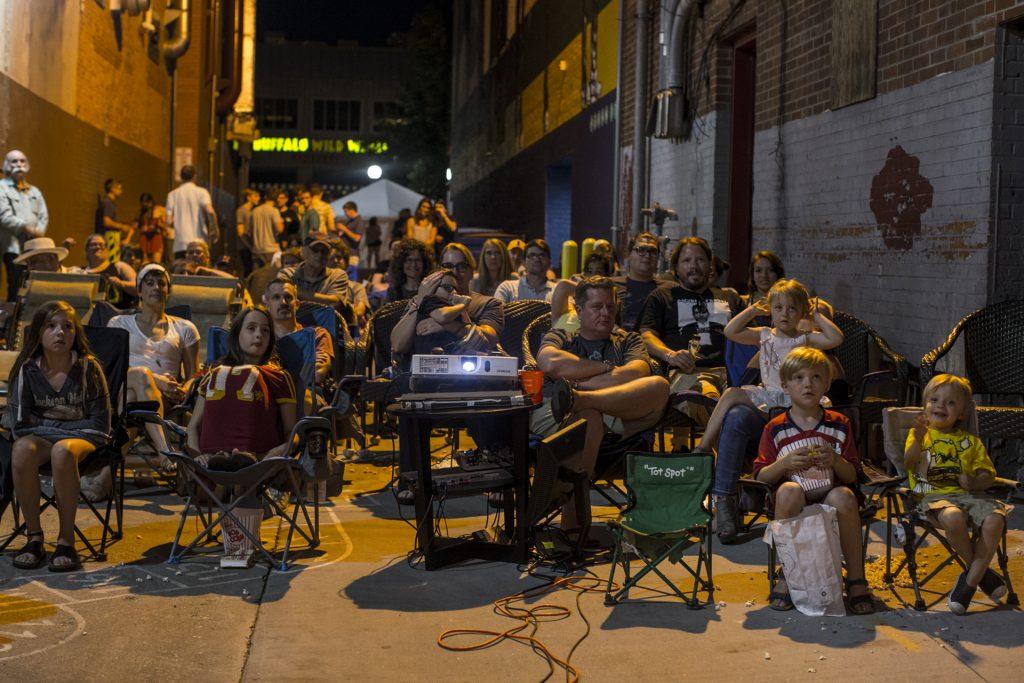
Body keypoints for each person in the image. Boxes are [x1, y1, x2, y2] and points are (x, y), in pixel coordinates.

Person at [533, 277, 670, 533]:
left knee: (659, 386)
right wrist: (608, 370)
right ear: (579, 309)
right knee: (589, 418)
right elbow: (550, 364)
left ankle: (579, 399)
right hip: (562, 416)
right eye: (597, 307)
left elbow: (636, 373)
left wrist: (579, 386)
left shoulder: (629, 340)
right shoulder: (562, 335)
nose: (606, 313)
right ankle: (573, 529)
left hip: (615, 413)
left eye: (610, 306)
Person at [752, 347, 873, 614]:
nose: (808, 384)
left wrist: (835, 461)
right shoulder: (776, 427)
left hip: (830, 494)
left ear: (826, 385)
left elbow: (853, 475)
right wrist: (784, 464)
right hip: (793, 500)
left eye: (816, 377)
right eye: (799, 378)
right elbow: (761, 476)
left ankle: (855, 579)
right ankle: (789, 574)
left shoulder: (839, 424)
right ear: (785, 385)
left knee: (845, 496)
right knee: (788, 490)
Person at [4, 301, 111, 571]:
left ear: (76, 334)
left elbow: (100, 424)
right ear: (39, 333)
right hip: (47, 437)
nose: (60, 333)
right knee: (21, 449)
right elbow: (19, 424)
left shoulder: (88, 368)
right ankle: (34, 538)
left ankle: (66, 540)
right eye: (51, 326)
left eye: (67, 327)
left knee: (62, 450)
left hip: (85, 443)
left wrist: (50, 426)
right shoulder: (27, 369)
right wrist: (66, 424)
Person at [187, 306, 297, 561]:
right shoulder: (214, 374)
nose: (258, 335)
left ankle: (240, 548)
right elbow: (193, 426)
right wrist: (196, 455)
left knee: (245, 470)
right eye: (251, 328)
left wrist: (272, 456)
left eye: (265, 331)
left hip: (259, 460)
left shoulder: (279, 377)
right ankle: (239, 538)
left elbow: (292, 432)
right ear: (237, 335)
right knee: (226, 468)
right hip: (211, 460)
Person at [905, 374, 1009, 615]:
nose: (941, 405)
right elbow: (909, 463)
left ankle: (970, 581)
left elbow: (988, 476)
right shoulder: (920, 435)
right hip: (931, 496)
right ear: (925, 405)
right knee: (953, 517)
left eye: (951, 403)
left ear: (961, 413)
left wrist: (973, 481)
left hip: (970, 496)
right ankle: (980, 576)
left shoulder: (971, 442)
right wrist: (917, 441)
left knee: (995, 520)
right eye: (935, 399)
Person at [697, 279, 843, 451]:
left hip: (795, 402)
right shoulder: (764, 335)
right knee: (730, 394)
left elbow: (836, 338)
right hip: (768, 397)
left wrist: (817, 317)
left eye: (792, 308)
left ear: (802, 312)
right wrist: (752, 310)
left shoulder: (806, 338)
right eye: (779, 308)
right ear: (770, 310)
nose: (785, 314)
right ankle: (704, 446)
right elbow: (730, 331)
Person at [639, 237, 743, 419]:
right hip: (688, 372)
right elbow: (646, 335)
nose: (693, 266)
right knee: (704, 395)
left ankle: (708, 445)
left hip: (731, 374)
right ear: (676, 268)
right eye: (686, 261)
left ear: (710, 265)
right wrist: (670, 355)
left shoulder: (730, 297)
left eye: (700, 260)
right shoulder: (662, 297)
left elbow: (755, 334)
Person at [108, 264, 200, 467]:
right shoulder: (119, 323)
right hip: (123, 388)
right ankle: (165, 451)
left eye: (161, 283)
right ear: (139, 290)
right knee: (140, 375)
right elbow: (113, 370)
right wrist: (157, 380)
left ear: (168, 290)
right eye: (149, 283)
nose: (156, 287)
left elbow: (194, 374)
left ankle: (105, 479)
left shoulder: (185, 328)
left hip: (163, 400)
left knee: (133, 402)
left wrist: (185, 389)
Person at [263, 278, 333, 385]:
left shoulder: (317, 334)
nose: (283, 302)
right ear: (267, 306)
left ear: (297, 304)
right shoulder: (262, 336)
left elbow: (317, 374)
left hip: (306, 395)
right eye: (276, 297)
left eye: (288, 297)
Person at [1, 150, 49, 300]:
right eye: (14, 161)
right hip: (13, 247)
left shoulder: (35, 191)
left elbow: (43, 215)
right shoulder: (2, 187)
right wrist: (25, 227)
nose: (19, 165)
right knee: (16, 286)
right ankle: (13, 320)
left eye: (22, 161)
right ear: (7, 165)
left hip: (33, 247)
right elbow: (3, 215)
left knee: (32, 286)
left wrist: (39, 232)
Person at [610, 232, 669, 332]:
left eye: (653, 251)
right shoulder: (610, 286)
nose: (647, 255)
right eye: (641, 250)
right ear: (628, 254)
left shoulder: (668, 289)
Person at [277, 234, 350, 308]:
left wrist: (293, 290)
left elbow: (334, 303)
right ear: (304, 252)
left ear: (329, 254)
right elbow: (282, 293)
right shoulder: (287, 273)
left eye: (324, 251)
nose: (319, 254)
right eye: (315, 249)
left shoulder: (337, 275)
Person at [73, 234, 138, 309]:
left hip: (117, 316)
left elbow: (138, 287)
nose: (98, 247)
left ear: (107, 249)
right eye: (94, 244)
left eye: (101, 244)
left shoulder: (119, 266)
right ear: (87, 250)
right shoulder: (80, 271)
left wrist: (121, 284)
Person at [166, 165, 217, 260]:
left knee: (182, 272)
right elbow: (210, 211)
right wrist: (215, 230)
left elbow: (169, 221)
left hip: (180, 244)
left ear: (181, 177)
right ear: (194, 176)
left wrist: (178, 224)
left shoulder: (172, 194)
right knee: (199, 272)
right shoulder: (202, 192)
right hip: (199, 244)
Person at [494, 239, 554, 303]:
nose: (537, 259)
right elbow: (495, 311)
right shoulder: (507, 288)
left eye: (541, 255)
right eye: (532, 255)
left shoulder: (557, 291)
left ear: (549, 262)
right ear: (523, 262)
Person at [386, 237, 434, 303]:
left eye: (417, 260)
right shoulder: (393, 292)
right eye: (409, 260)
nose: (413, 264)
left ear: (425, 263)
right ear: (401, 263)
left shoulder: (431, 291)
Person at [94, 178, 134, 257]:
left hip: (107, 240)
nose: (121, 191)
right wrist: (122, 227)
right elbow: (107, 222)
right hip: (107, 240)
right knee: (110, 265)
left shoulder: (107, 203)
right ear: (112, 189)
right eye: (120, 189)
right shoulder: (107, 203)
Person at [250, 190, 284, 268]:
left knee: (258, 277)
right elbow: (280, 229)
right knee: (275, 276)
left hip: (257, 251)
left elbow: (248, 232)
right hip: (272, 250)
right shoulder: (274, 211)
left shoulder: (254, 211)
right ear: (277, 199)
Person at [136, 193, 169, 265]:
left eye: (146, 203)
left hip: (156, 238)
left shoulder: (160, 210)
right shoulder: (142, 212)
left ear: (150, 202)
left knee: (156, 262)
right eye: (143, 204)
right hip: (144, 239)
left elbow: (167, 228)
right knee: (145, 263)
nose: (145, 206)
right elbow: (136, 226)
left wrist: (160, 225)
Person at [235, 188, 259, 275]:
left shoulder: (254, 210)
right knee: (248, 269)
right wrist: (249, 246)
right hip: (244, 246)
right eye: (255, 196)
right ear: (248, 197)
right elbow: (240, 232)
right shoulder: (242, 210)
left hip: (252, 245)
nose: (258, 198)